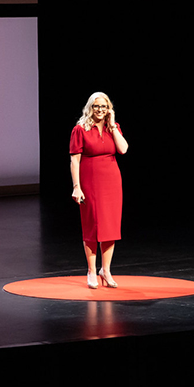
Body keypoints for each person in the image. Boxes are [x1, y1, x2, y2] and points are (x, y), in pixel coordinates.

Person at [70, 92, 128, 289]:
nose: (100, 110)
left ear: (108, 108)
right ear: (90, 108)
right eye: (96, 106)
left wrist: (113, 126)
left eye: (104, 106)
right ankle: (92, 271)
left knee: (110, 226)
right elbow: (74, 160)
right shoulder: (80, 129)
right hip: (90, 181)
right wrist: (76, 186)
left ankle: (106, 270)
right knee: (92, 226)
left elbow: (123, 149)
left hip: (112, 181)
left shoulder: (114, 128)